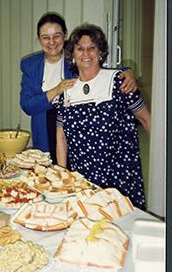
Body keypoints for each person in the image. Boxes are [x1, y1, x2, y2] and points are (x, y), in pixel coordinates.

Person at [20, 12, 137, 163]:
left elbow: (102, 70)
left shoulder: (76, 56)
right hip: (45, 127)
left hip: (76, 124)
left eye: (57, 36)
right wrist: (56, 90)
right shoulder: (30, 65)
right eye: (45, 37)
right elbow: (28, 106)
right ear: (39, 39)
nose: (52, 42)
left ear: (65, 35)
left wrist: (128, 71)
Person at [56, 23, 150, 209]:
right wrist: (62, 175)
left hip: (119, 180)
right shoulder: (66, 91)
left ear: (100, 52)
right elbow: (61, 137)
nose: (86, 54)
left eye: (92, 48)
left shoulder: (119, 82)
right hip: (82, 181)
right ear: (72, 54)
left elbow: (146, 119)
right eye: (80, 49)